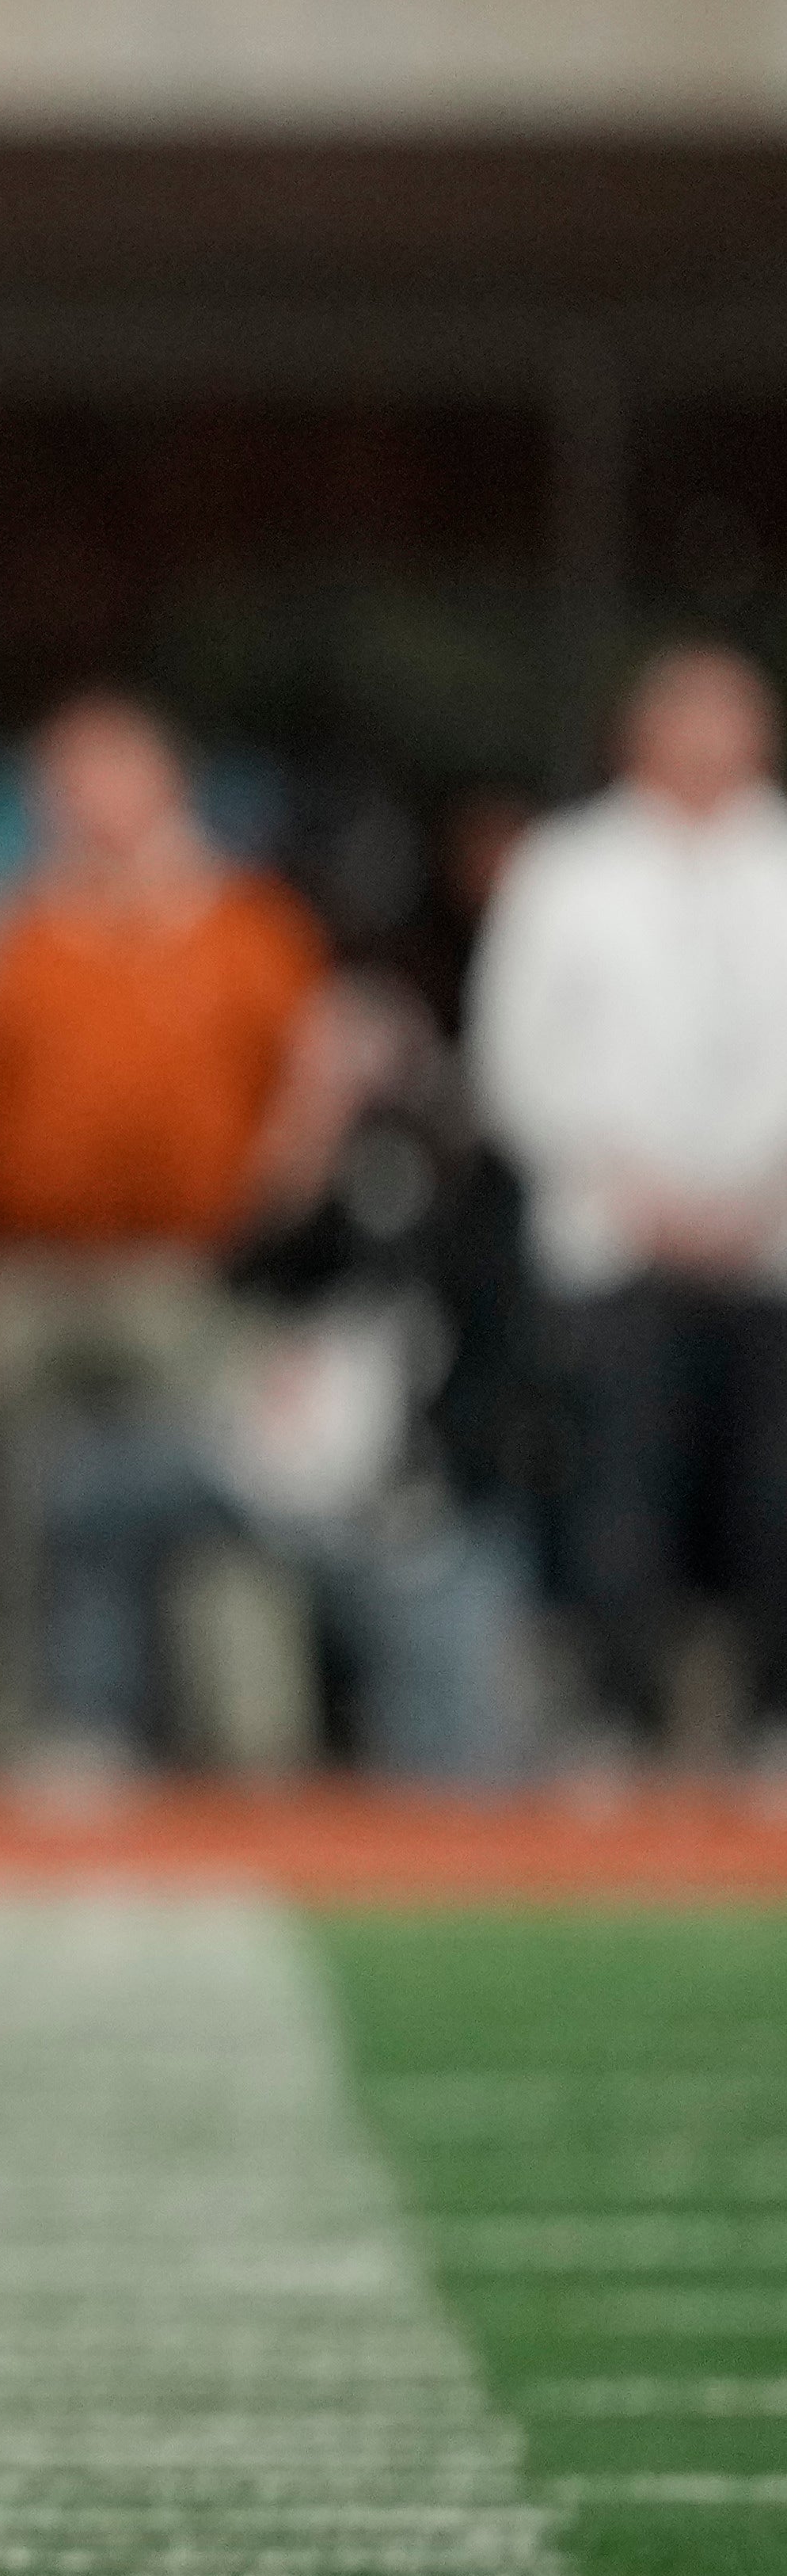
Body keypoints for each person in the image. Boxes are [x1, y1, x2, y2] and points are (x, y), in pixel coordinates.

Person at [0, 689, 329, 1764]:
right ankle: (2, 1741)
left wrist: (259, 1219)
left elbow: (311, 1078)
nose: (86, 802)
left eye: (108, 774)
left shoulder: (245, 925)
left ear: (168, 785)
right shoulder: (13, 932)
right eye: (64, 781)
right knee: (3, 1523)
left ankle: (255, 1752)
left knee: (226, 1517)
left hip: (186, 1269)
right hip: (28, 1267)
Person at [470, 641, 787, 1751]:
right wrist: (630, 1187)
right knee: (618, 1494)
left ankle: (767, 1723)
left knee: (771, 1498)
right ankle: (613, 1723)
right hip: (614, 1239)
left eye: (730, 715)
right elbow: (511, 1059)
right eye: (685, 716)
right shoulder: (568, 868)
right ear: (637, 733)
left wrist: (760, 1190)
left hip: (771, 1245)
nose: (709, 741)